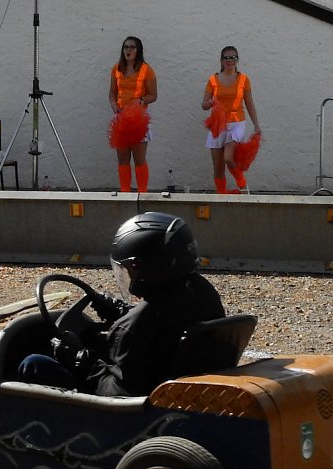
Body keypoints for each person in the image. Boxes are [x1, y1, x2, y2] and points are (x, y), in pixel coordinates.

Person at [18, 212, 225, 397]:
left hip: (133, 411)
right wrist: (121, 311)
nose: (127, 274)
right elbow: (162, 320)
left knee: (33, 363)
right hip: (178, 384)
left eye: (129, 268)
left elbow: (119, 393)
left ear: (147, 268)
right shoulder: (202, 292)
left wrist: (81, 359)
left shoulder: (132, 328)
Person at [201, 46, 261, 194]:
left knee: (228, 157)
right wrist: (208, 104)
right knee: (218, 165)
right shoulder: (213, 79)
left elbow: (249, 102)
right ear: (221, 61)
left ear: (237, 60)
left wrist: (256, 125)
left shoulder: (244, 79)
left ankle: (242, 185)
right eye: (227, 57)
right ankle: (222, 195)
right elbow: (203, 104)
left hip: (236, 122)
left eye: (233, 57)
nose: (230, 60)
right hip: (217, 124)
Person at [109, 36, 157, 193]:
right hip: (121, 118)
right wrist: (114, 104)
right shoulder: (116, 69)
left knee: (139, 158)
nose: (128, 50)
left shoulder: (146, 70)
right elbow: (112, 93)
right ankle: (125, 192)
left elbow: (153, 95)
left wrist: (141, 100)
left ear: (138, 50)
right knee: (122, 158)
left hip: (138, 118)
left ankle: (142, 193)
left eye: (132, 47)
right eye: (125, 47)